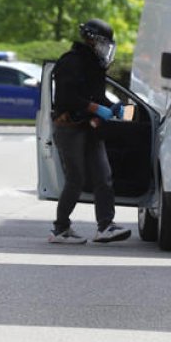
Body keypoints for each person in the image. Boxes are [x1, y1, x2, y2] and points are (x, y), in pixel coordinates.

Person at [48, 18, 131, 245]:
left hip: (90, 128)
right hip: (70, 128)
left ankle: (105, 226)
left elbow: (95, 94)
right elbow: (66, 98)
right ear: (91, 39)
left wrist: (111, 106)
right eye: (103, 42)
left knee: (103, 176)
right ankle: (60, 229)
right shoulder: (71, 62)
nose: (106, 48)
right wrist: (96, 108)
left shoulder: (95, 64)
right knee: (76, 179)